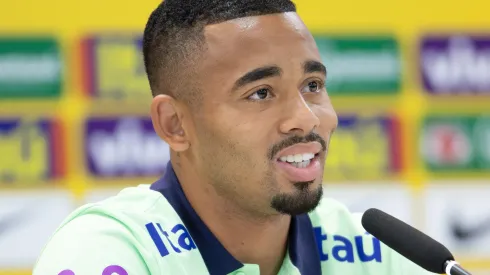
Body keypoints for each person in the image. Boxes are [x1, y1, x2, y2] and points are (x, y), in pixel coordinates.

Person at [33, 0, 433, 274]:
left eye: (312, 85)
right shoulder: (107, 252)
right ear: (174, 124)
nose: (305, 118)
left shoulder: (375, 251)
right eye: (260, 93)